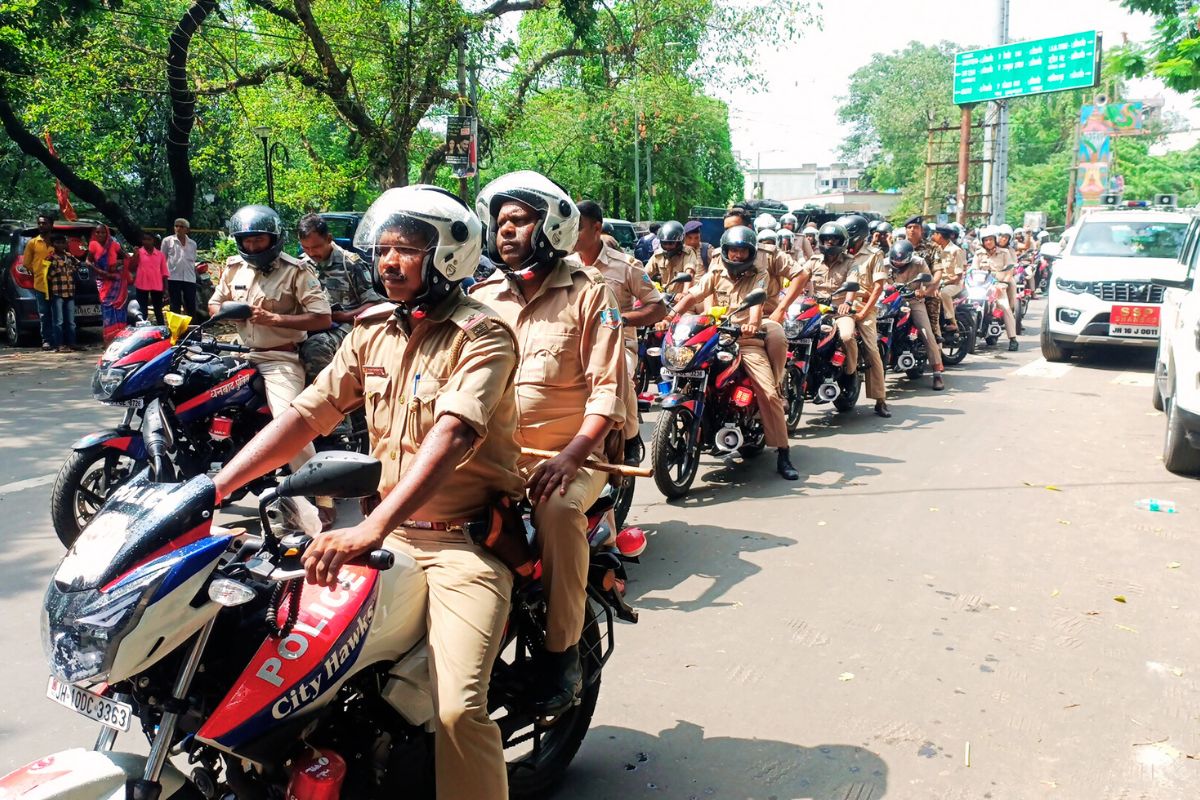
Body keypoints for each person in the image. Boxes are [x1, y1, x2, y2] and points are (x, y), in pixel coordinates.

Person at [213, 185, 519, 800]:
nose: (388, 262)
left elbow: (454, 434)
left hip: (460, 546)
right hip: (380, 537)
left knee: (459, 710)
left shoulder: (484, 335)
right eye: (382, 250)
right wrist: (216, 488)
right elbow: (304, 416)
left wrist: (370, 529)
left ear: (451, 255)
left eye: (406, 250)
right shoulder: (371, 331)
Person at [471, 170, 627, 715]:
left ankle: (562, 655)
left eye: (518, 220)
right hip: (494, 456)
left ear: (552, 227)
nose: (505, 231)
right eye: (499, 222)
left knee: (557, 511)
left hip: (570, 457)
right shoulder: (482, 297)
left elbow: (606, 392)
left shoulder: (590, 294)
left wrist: (571, 455)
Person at [209, 204, 332, 474]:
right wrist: (232, 314)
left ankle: (320, 494)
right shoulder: (234, 268)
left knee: (288, 424)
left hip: (280, 358)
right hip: (240, 354)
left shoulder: (296, 271)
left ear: (274, 239)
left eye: (259, 240)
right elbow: (214, 304)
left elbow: (322, 318)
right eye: (247, 241)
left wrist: (275, 319)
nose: (252, 247)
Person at [670, 225, 800, 480]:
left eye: (742, 251)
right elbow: (694, 293)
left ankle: (783, 452)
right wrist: (671, 315)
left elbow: (756, 307)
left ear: (750, 252)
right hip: (716, 335)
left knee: (767, 392)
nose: (737, 256)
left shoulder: (759, 274)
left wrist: (752, 324)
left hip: (747, 339)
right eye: (733, 250)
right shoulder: (716, 271)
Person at [571, 200, 666, 465]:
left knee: (619, 372)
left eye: (577, 227)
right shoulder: (563, 264)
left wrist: (620, 320)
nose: (570, 233)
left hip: (618, 345)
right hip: (572, 344)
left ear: (596, 228)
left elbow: (658, 308)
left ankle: (632, 436)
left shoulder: (626, 265)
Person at [778, 221, 891, 416]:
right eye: (827, 239)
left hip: (842, 309)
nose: (830, 243)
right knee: (787, 335)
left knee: (849, 337)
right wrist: (785, 296)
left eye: (835, 240)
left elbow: (852, 283)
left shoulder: (851, 261)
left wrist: (847, 303)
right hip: (816, 309)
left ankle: (862, 382)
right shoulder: (813, 261)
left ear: (842, 242)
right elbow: (799, 278)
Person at [296, 212, 385, 383]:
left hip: (346, 325)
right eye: (306, 248)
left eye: (316, 247)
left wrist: (343, 316)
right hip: (309, 323)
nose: (311, 253)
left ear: (329, 238)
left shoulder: (350, 264)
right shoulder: (300, 266)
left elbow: (375, 303)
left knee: (316, 347)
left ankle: (325, 400)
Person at [840, 214, 890, 417]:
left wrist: (863, 311)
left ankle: (880, 399)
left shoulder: (873, 254)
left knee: (871, 348)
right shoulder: (838, 251)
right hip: (837, 304)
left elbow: (878, 287)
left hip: (863, 304)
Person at [887, 240, 944, 390]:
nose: (897, 263)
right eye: (895, 260)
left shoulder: (919, 263)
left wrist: (923, 292)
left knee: (926, 333)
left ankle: (937, 373)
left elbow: (932, 282)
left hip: (913, 301)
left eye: (901, 261)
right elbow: (876, 282)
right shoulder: (884, 263)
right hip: (890, 302)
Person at [974, 226, 1019, 351]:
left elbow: (1010, 270)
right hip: (981, 286)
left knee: (1005, 307)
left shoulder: (1004, 253)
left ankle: (1013, 338)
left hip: (998, 286)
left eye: (990, 239)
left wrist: (1004, 283)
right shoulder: (978, 254)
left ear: (995, 240)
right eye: (985, 240)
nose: (988, 242)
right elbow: (972, 270)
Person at [905, 215, 947, 340]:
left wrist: (928, 290)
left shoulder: (933, 247)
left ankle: (936, 351)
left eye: (916, 227)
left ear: (921, 230)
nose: (912, 230)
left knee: (931, 331)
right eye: (909, 227)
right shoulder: (899, 246)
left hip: (924, 290)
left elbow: (938, 271)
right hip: (902, 289)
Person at [87, 224, 130, 343]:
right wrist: (101, 272)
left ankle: (120, 338)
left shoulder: (114, 245)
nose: (100, 235)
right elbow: (88, 262)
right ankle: (109, 339)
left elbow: (126, 257)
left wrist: (117, 265)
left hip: (116, 281)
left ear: (107, 233)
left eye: (102, 232)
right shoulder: (93, 245)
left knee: (119, 309)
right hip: (103, 282)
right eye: (97, 232)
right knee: (107, 309)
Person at [23, 214, 56, 351]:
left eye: (45, 223)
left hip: (58, 284)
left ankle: (59, 340)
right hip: (40, 284)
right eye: (40, 223)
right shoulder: (33, 243)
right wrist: (38, 271)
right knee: (44, 313)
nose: (41, 225)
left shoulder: (57, 241)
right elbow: (26, 263)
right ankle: (46, 340)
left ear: (51, 225)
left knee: (57, 313)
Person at [45, 233, 80, 352]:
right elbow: (48, 276)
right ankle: (59, 344)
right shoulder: (50, 258)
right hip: (57, 292)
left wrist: (71, 269)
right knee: (58, 320)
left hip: (70, 291)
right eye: (57, 242)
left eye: (62, 242)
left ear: (66, 244)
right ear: (53, 244)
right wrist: (58, 269)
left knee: (71, 321)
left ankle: (72, 343)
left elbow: (78, 264)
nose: (60, 245)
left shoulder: (69, 256)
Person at [932, 223, 967, 336]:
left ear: (940, 236)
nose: (933, 236)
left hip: (953, 284)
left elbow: (958, 277)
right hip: (936, 283)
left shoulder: (956, 251)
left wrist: (942, 283)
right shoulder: (935, 249)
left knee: (944, 293)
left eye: (935, 234)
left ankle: (952, 321)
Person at [131, 232, 170, 325]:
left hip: (156, 285)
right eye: (144, 239)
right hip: (141, 285)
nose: (146, 242)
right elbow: (131, 267)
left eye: (149, 239)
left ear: (153, 241)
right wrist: (135, 256)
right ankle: (142, 329)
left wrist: (166, 289)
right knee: (143, 310)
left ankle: (161, 328)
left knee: (158, 310)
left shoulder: (160, 255)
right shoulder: (139, 252)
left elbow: (164, 272)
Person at [646, 220, 702, 285]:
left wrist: (684, 293)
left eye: (671, 243)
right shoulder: (658, 255)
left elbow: (689, 273)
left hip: (682, 294)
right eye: (664, 243)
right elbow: (644, 274)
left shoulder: (688, 253)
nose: (667, 246)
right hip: (663, 294)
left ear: (679, 243)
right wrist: (651, 285)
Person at [162, 218, 199, 316]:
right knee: (175, 305)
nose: (178, 228)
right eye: (176, 226)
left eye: (181, 226)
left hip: (189, 278)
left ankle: (192, 327)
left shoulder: (192, 244)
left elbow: (193, 260)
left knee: (191, 304)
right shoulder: (167, 241)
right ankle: (175, 329)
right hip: (173, 277)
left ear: (187, 229)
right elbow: (162, 260)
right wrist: (163, 279)